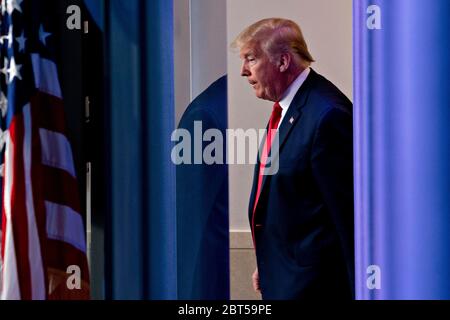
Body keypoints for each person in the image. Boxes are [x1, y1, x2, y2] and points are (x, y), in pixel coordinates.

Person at [232, 18, 354, 299]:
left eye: (250, 59)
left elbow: (347, 219)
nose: (243, 71)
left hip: (314, 289)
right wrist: (269, 263)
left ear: (283, 61)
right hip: (284, 278)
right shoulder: (288, 107)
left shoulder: (328, 115)